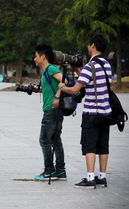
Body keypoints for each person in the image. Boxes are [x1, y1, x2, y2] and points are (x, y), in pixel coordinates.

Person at [59, 35, 111, 188]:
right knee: (103, 145)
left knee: (89, 145)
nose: (88, 47)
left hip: (91, 113)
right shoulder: (106, 65)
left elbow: (76, 90)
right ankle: (102, 177)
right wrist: (77, 69)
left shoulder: (90, 66)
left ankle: (90, 178)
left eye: (89, 45)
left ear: (93, 45)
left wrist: (63, 88)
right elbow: (91, 79)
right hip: (105, 112)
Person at [33, 44, 66, 181]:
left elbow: (65, 81)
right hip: (54, 110)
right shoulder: (46, 71)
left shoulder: (51, 68)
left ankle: (49, 170)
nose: (34, 59)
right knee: (55, 140)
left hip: (52, 110)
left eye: (36, 56)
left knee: (44, 140)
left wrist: (57, 96)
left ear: (43, 56)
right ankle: (60, 171)